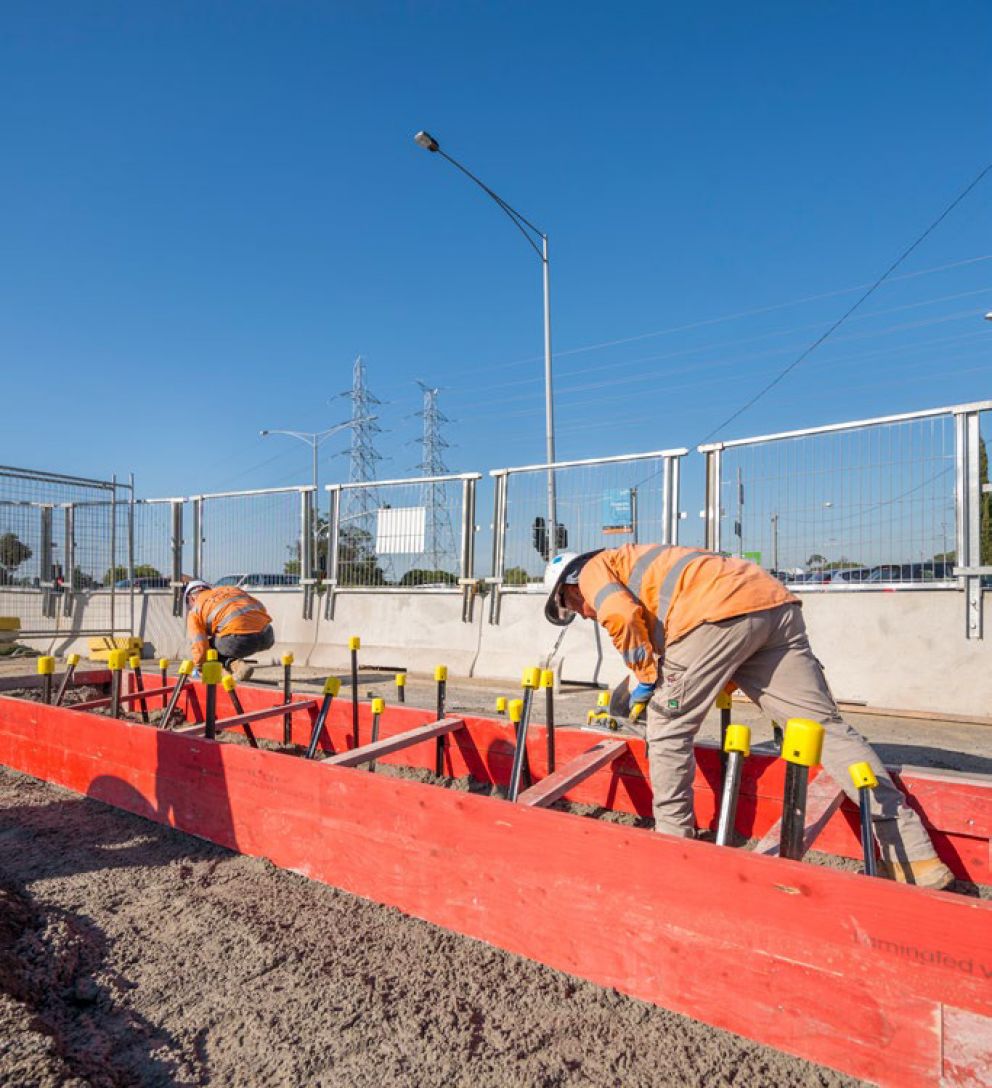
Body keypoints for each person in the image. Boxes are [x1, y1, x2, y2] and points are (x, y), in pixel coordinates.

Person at [543, 545, 954, 890]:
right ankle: (914, 857)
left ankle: (673, 844)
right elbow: (709, 656)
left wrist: (646, 677)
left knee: (668, 731)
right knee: (825, 729)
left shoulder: (596, 569)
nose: (582, 613)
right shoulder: (648, 563)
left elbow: (620, 615)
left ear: (571, 581)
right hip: (774, 604)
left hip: (718, 616)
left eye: (571, 604)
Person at [183, 579, 275, 682]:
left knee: (208, 649)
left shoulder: (195, 609)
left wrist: (200, 666)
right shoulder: (231, 589)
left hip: (239, 640)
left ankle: (226, 678)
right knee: (222, 638)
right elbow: (260, 607)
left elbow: (200, 646)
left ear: (191, 598)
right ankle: (239, 667)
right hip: (267, 635)